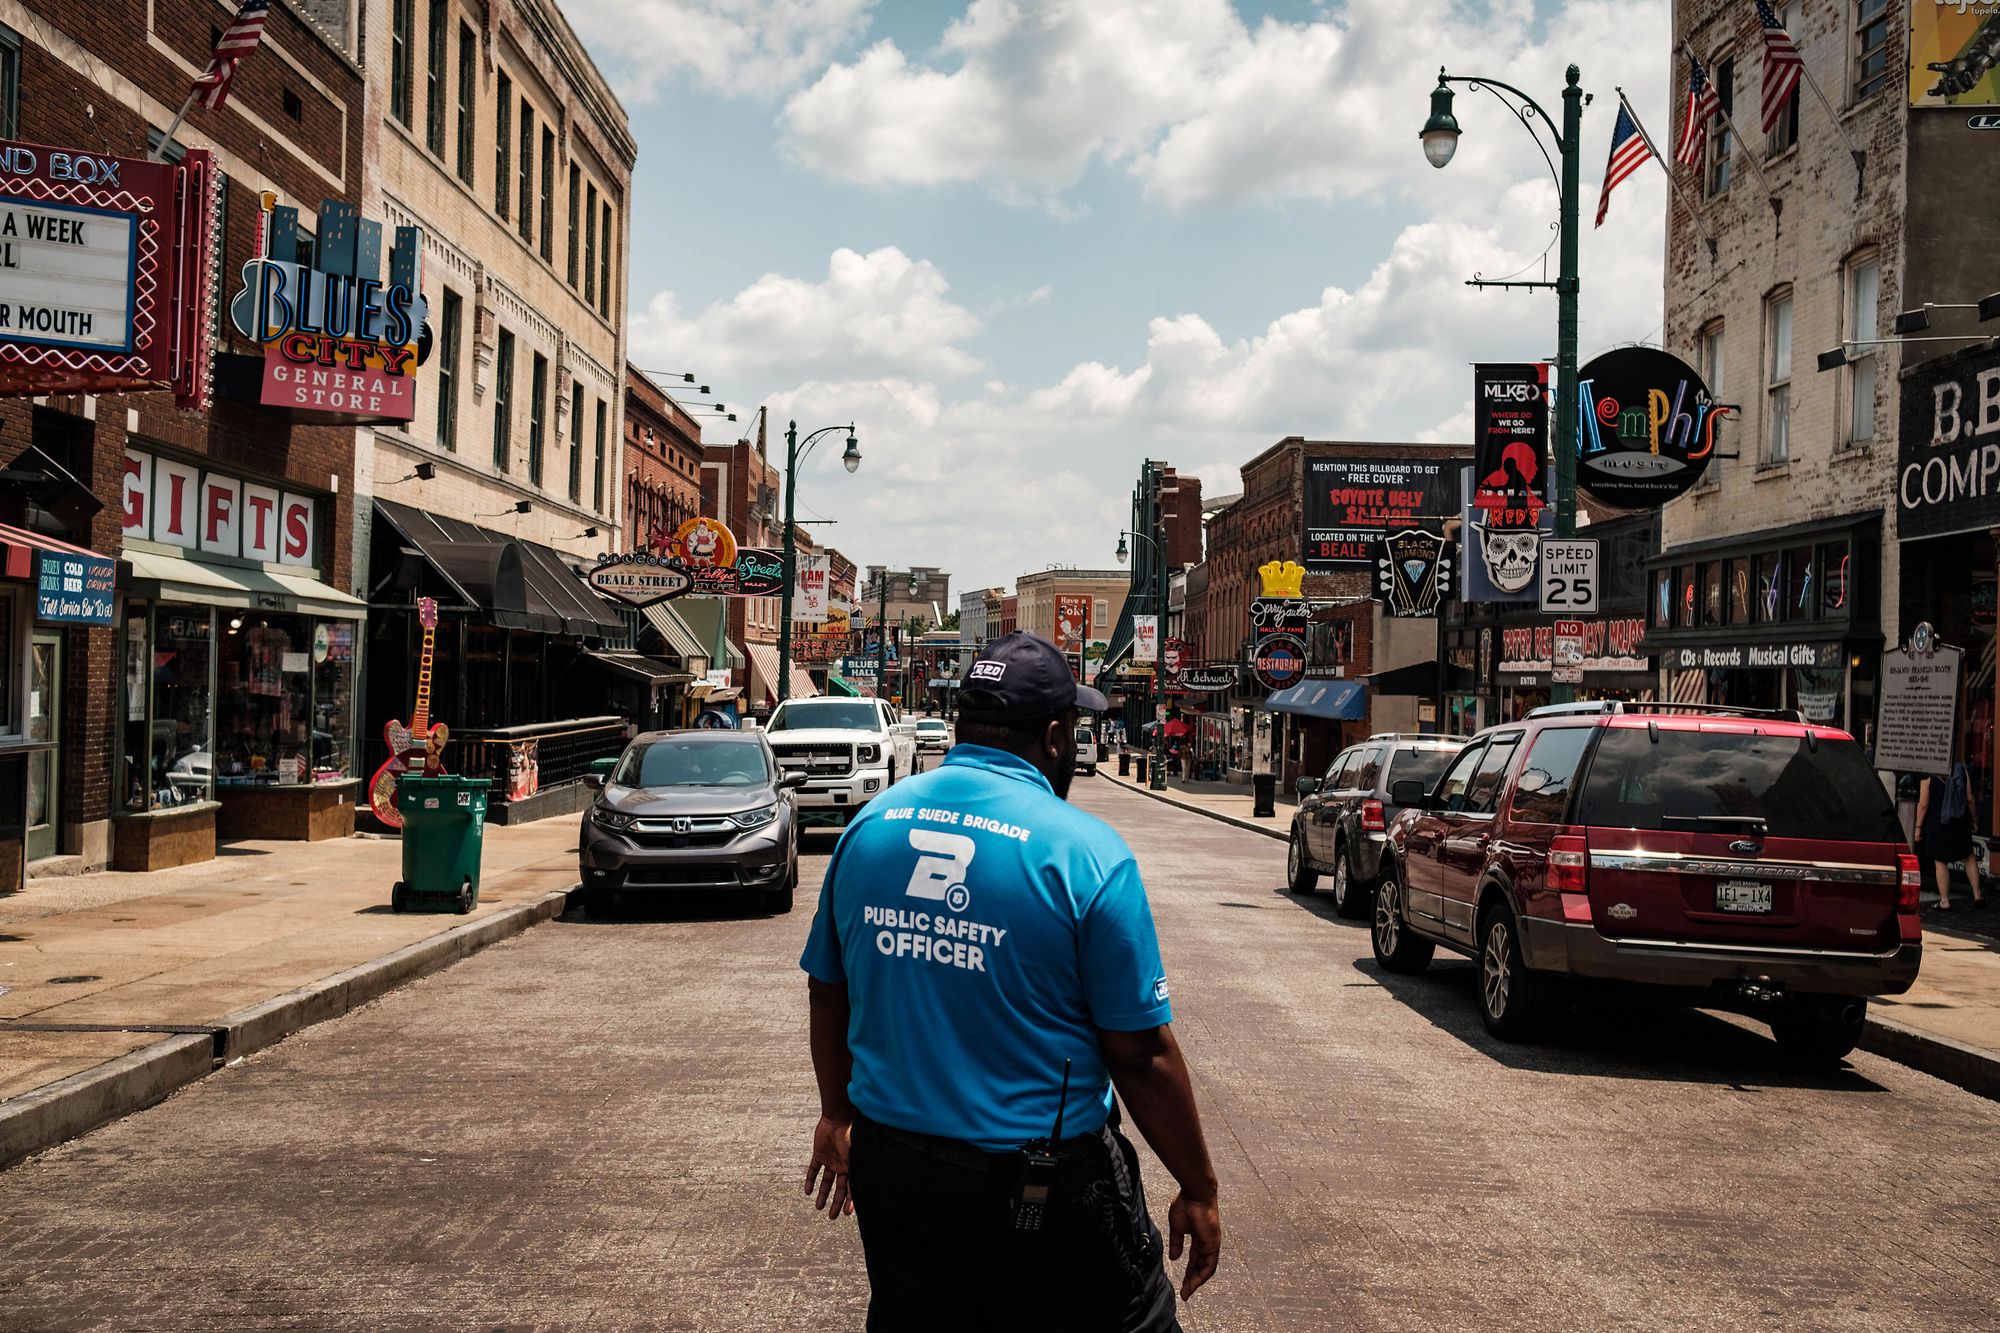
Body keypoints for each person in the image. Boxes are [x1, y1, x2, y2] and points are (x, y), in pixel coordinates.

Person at [800, 630, 1221, 1332]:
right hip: (1040, 1183)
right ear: (1056, 737)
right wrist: (1199, 1185)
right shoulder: (1084, 853)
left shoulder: (868, 828)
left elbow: (827, 987)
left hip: (895, 1168)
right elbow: (1139, 1054)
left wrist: (836, 1112)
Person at [1917, 760, 1986, 910]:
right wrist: (1974, 819)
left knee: (1940, 861)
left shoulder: (1929, 771)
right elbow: (1970, 798)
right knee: (1968, 856)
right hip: (1960, 821)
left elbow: (1923, 804)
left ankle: (1945, 900)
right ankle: (1977, 894)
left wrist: (1918, 827)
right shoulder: (1961, 768)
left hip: (1939, 823)